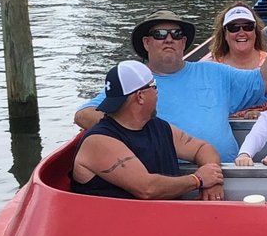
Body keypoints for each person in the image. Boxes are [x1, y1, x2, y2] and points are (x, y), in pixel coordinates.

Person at [75, 7, 267, 163]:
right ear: (146, 43)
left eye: (176, 34)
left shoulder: (215, 72)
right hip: (165, 177)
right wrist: (140, 132)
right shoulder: (133, 80)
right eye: (160, 34)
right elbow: (84, 114)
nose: (169, 39)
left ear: (184, 43)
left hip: (226, 172)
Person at [71, 60, 226, 201]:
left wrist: (213, 178)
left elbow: (203, 148)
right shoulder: (99, 141)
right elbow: (147, 188)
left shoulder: (158, 127)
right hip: (114, 226)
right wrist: (198, 180)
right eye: (154, 86)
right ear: (140, 96)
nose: (157, 92)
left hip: (161, 221)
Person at [203, 3, 267, 69]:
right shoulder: (211, 67)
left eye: (248, 27)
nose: (241, 33)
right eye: (233, 28)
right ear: (225, 34)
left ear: (255, 32)